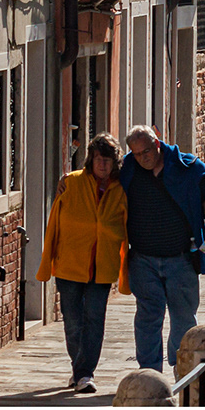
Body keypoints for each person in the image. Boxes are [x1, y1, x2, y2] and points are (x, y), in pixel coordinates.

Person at [119, 124, 205, 375]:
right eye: (136, 153)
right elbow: (97, 174)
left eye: (146, 151)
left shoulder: (186, 166)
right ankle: (149, 373)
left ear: (157, 144)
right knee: (148, 317)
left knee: (184, 316)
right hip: (143, 258)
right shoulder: (128, 169)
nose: (143, 158)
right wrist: (67, 180)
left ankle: (182, 367)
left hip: (181, 258)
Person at [36, 132, 128, 393]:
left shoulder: (120, 190)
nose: (103, 165)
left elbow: (126, 226)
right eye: (99, 159)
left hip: (102, 266)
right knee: (73, 321)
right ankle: (79, 369)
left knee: (95, 320)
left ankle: (85, 373)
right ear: (91, 160)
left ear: (114, 163)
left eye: (108, 160)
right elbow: (54, 223)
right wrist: (47, 260)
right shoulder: (71, 183)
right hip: (70, 264)